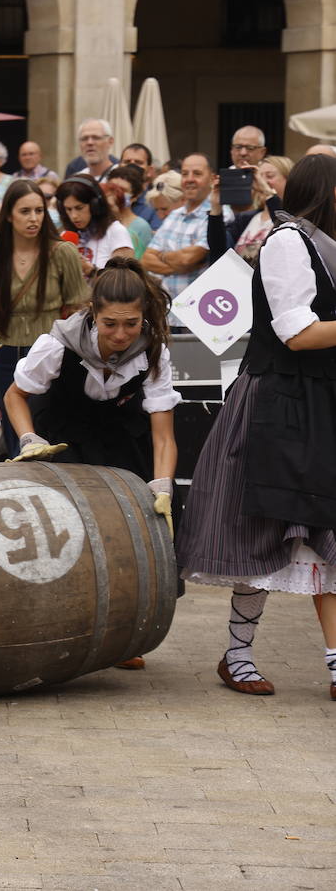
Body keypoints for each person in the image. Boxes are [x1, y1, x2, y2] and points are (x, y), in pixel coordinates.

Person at [176, 154, 336, 700]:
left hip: (321, 400)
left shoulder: (328, 246)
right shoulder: (288, 241)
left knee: (328, 534)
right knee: (264, 535)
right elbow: (297, 332)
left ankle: (335, 665)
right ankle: (238, 655)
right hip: (279, 400)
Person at [3, 256, 179, 668]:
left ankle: (120, 640)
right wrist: (29, 439)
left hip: (120, 444)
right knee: (67, 541)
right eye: (110, 323)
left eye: (131, 324)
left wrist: (163, 485)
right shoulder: (58, 344)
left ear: (143, 316)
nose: (120, 334)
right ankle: (60, 632)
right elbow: (15, 395)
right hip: (62, 440)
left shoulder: (154, 352)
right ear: (92, 314)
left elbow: (164, 435)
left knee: (127, 540)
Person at [0, 180, 88, 457]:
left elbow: (78, 312)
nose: (34, 218)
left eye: (39, 210)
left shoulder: (62, 252)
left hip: (51, 354)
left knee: (51, 435)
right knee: (16, 440)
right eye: (25, 211)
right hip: (6, 355)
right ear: (9, 215)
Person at [143, 154, 232, 298]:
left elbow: (188, 259)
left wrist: (161, 255)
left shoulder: (220, 214)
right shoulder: (174, 215)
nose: (189, 179)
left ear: (212, 179)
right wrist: (178, 267)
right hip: (167, 305)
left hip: (199, 305)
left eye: (197, 173)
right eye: (185, 174)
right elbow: (146, 259)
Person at [55, 176, 134, 276]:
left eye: (79, 208)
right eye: (68, 209)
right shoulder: (65, 235)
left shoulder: (116, 231)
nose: (74, 216)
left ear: (95, 205)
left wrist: (90, 271)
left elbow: (123, 279)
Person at [233, 156, 293, 263]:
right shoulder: (245, 218)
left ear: (288, 180)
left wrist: (268, 192)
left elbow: (284, 228)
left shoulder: (293, 218)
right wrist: (215, 209)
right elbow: (219, 252)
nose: (262, 182)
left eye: (269, 176)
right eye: (258, 177)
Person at [103, 166, 156, 259]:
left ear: (134, 196)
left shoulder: (141, 227)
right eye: (111, 189)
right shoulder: (97, 219)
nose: (116, 194)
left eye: (123, 190)